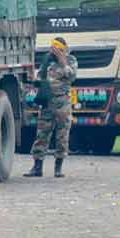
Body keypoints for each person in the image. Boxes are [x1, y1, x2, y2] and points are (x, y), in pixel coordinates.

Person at [24, 37, 77, 178]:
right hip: (47, 103)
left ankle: (58, 167)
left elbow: (71, 76)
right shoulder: (47, 60)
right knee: (41, 135)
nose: (54, 51)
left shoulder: (70, 60)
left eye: (57, 49)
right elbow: (39, 78)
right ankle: (37, 167)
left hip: (62, 103)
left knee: (62, 136)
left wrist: (62, 60)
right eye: (52, 48)